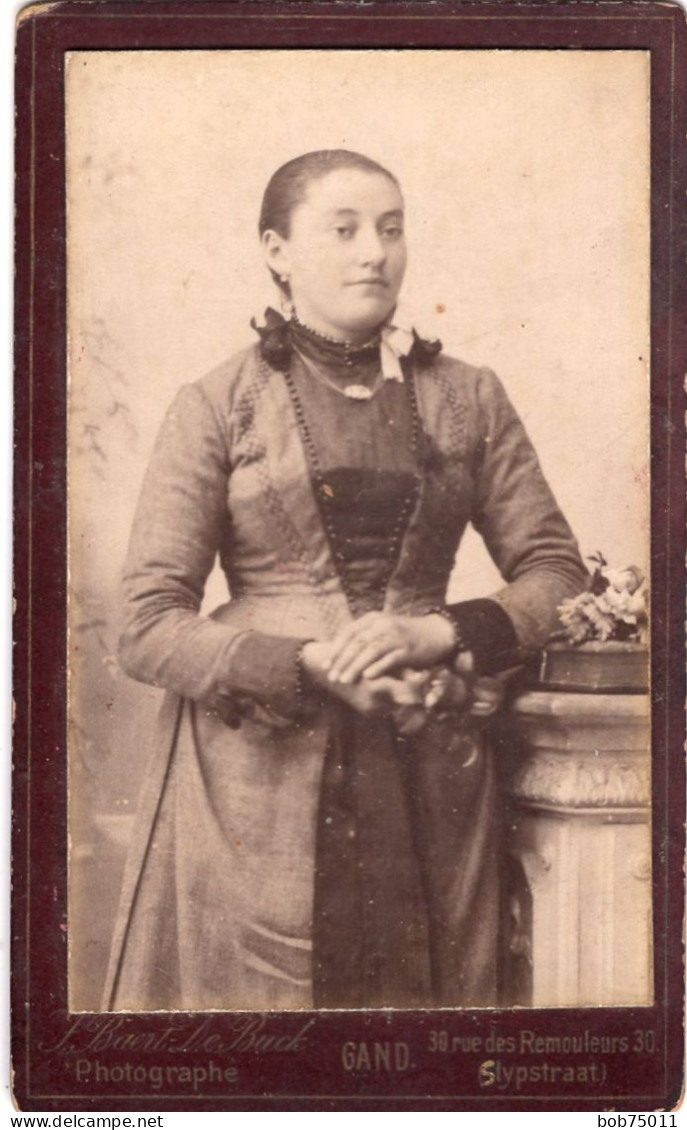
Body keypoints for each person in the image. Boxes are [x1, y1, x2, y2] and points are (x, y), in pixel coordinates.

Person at [103, 149, 586, 1012]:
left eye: (391, 229)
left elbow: (557, 576)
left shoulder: (468, 397)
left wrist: (440, 631)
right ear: (277, 250)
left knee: (425, 1025)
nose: (375, 252)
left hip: (428, 759)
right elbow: (144, 622)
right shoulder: (217, 403)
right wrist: (303, 664)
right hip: (256, 778)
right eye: (345, 229)